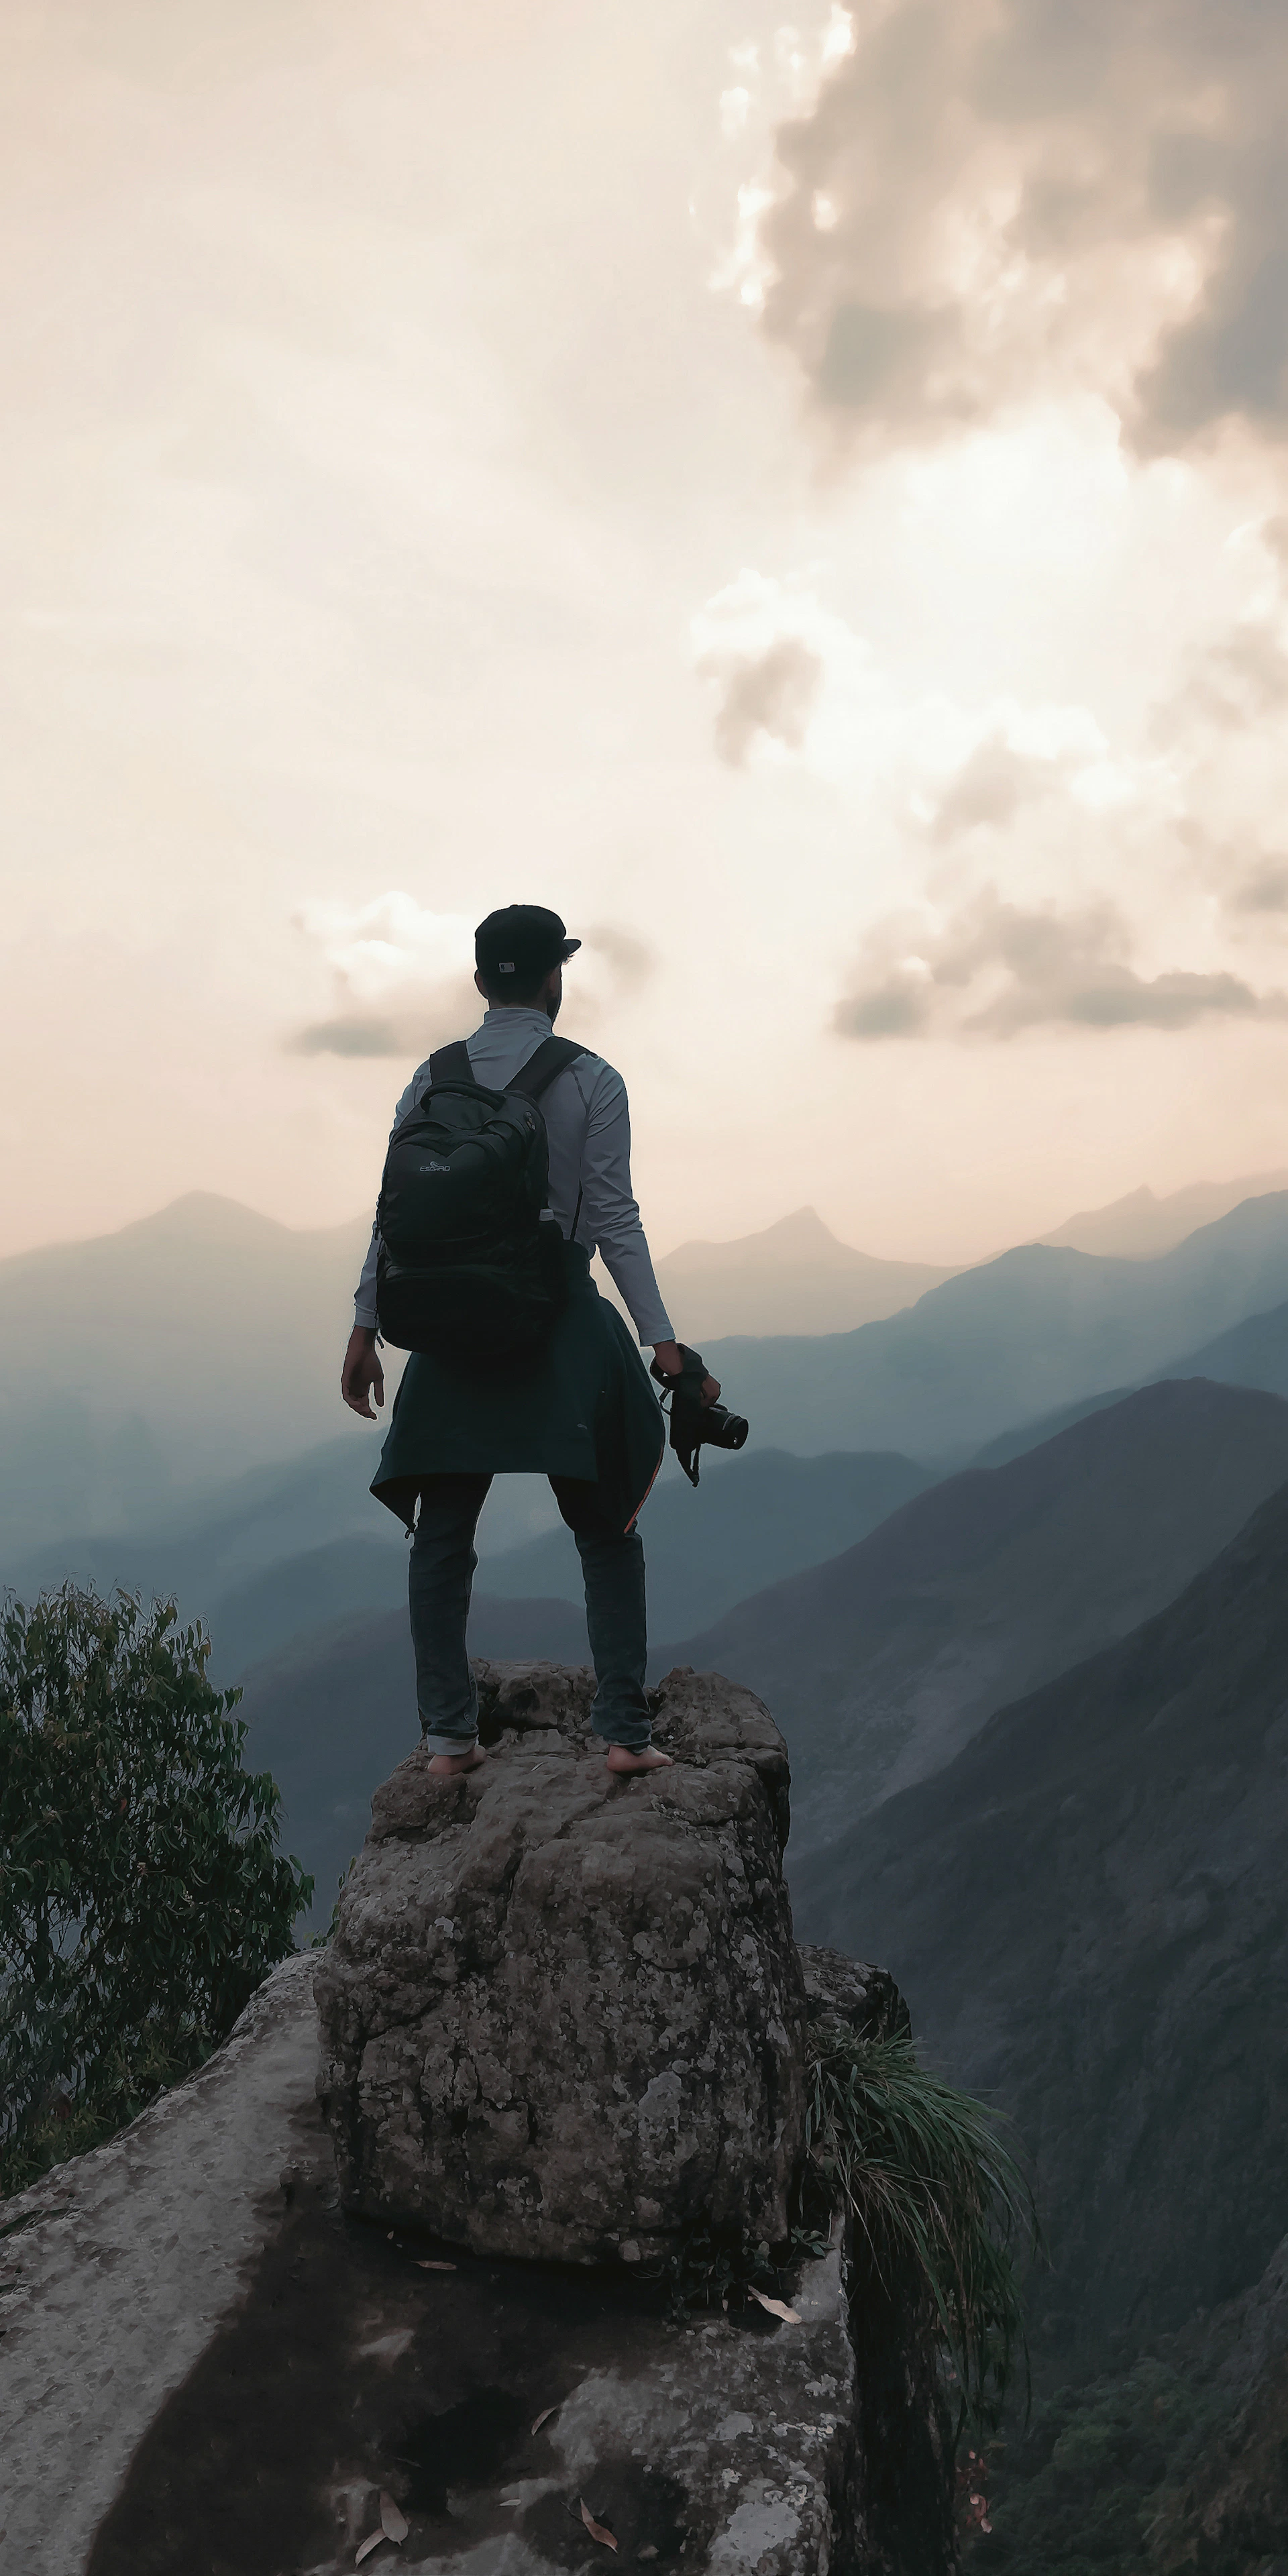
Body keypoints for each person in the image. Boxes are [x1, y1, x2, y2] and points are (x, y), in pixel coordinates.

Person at [340, 903, 718, 1781]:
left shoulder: (429, 1079)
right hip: (555, 1326)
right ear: (555, 979)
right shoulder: (592, 1080)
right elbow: (614, 1220)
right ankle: (624, 1732)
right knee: (607, 1528)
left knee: (442, 1538)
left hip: (447, 1335)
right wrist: (664, 1345)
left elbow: (395, 1218)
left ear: (481, 984)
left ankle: (446, 1741)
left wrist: (366, 1329)